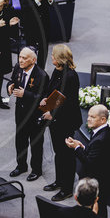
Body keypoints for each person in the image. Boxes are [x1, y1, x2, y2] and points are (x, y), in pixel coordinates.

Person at [40, 44, 82, 201]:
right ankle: (59, 181)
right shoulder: (57, 71)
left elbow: (68, 102)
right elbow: (54, 93)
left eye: (53, 55)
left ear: (60, 59)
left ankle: (67, 188)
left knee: (67, 155)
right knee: (59, 153)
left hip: (66, 121)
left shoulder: (70, 76)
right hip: (56, 121)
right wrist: (45, 98)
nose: (51, 57)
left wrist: (53, 114)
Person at [65, 104, 110, 218]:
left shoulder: (101, 138)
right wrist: (82, 147)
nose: (88, 119)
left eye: (92, 117)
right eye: (88, 116)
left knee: (98, 214)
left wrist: (76, 148)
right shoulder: (103, 132)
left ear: (103, 119)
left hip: (99, 184)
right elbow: (96, 156)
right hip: (102, 181)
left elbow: (90, 163)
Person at [7, 46, 48, 180]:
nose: (21, 60)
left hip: (35, 115)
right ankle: (21, 165)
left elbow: (42, 99)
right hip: (20, 113)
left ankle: (36, 169)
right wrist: (10, 85)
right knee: (20, 141)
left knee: (35, 144)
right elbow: (13, 80)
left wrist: (25, 94)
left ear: (33, 60)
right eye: (20, 57)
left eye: (24, 58)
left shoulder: (42, 76)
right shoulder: (18, 68)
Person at [19, 0, 54, 68]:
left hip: (44, 22)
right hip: (31, 24)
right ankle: (31, 71)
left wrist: (50, 0)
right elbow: (25, 8)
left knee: (44, 48)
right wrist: (38, 1)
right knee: (31, 49)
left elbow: (48, 3)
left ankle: (41, 71)